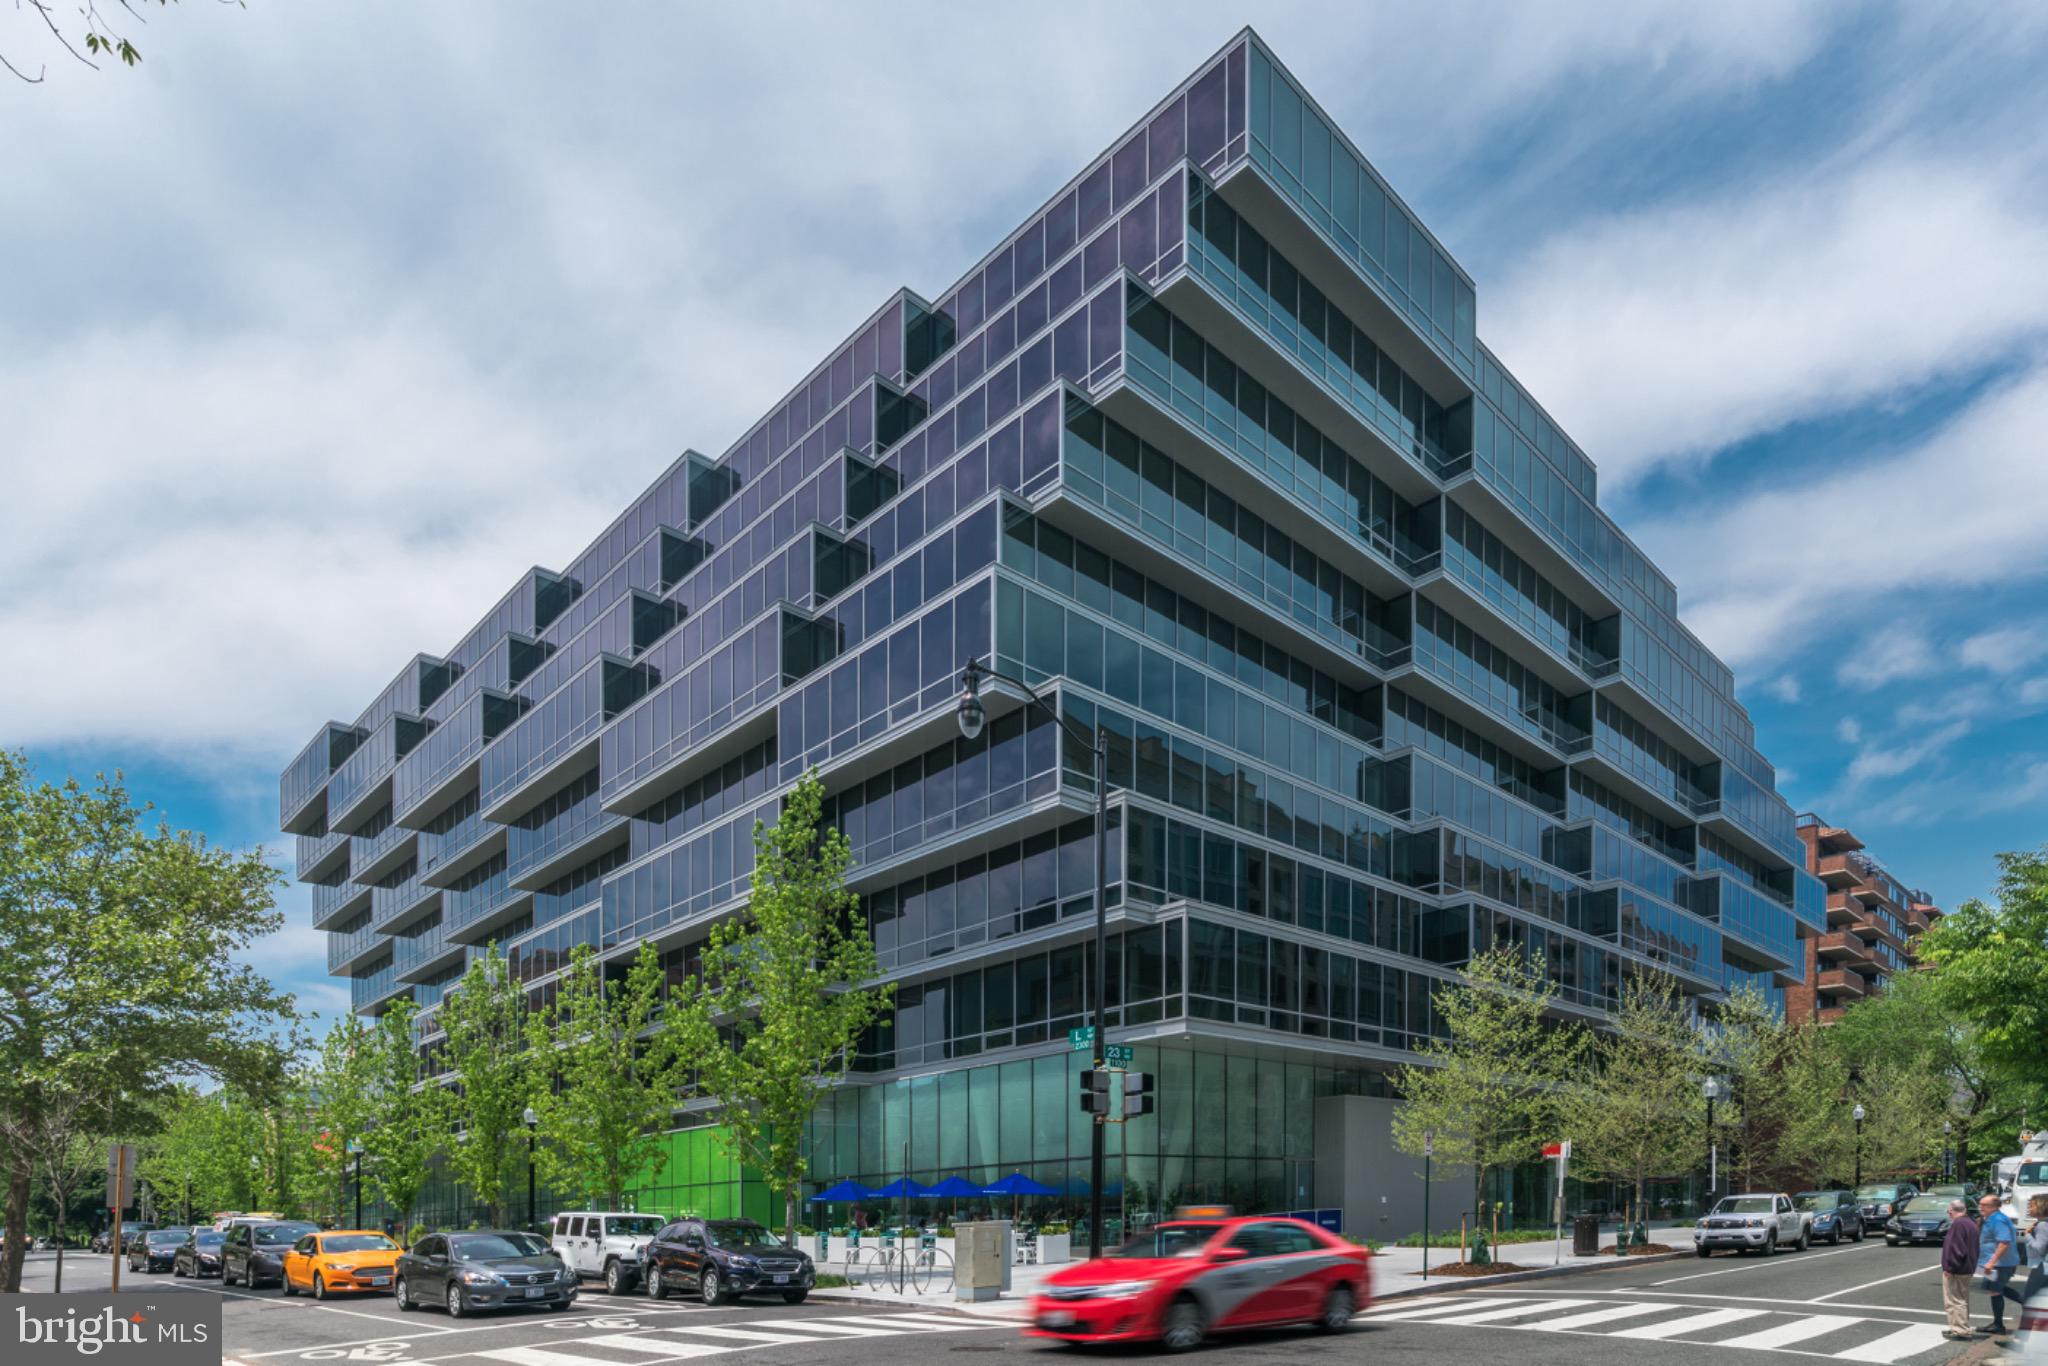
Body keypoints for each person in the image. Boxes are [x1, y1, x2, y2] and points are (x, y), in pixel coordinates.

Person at [1977, 1192, 2020, 1338]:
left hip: (2000, 1264)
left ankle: (1998, 1325)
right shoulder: (1991, 1218)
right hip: (1998, 1263)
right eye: (1980, 1204)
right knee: (1994, 1289)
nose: (1980, 1207)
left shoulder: (1997, 1220)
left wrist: (1992, 1262)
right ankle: (1997, 1323)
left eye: (1984, 1205)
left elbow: (2004, 1242)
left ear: (1994, 1207)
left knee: (1995, 1291)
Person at [1942, 1199, 1978, 1341]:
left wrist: (1950, 1267)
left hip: (1958, 1269)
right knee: (1961, 1299)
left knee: (1955, 1300)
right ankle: (1957, 1327)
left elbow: (1956, 1249)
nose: (1948, 1213)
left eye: (1948, 1211)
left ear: (1951, 1210)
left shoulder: (1958, 1224)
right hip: (1967, 1266)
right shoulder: (1970, 1222)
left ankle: (1960, 1329)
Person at [2022, 1194, 2048, 1308]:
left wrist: (2027, 1235)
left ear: (2041, 1207)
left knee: (2028, 1301)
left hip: (2041, 1267)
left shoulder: (2042, 1225)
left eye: (2032, 1206)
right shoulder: (2042, 1224)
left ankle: (2027, 1326)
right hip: (2042, 1266)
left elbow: (2040, 1249)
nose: (2029, 1209)